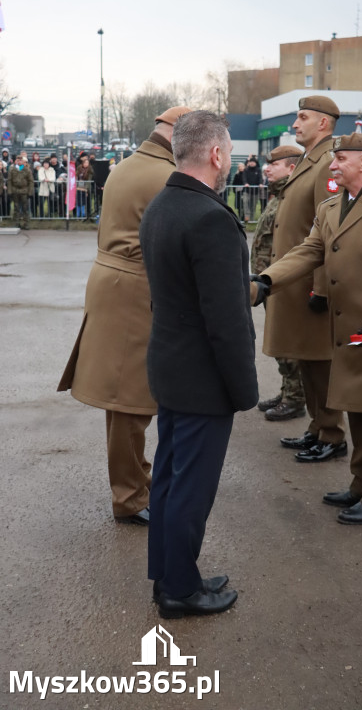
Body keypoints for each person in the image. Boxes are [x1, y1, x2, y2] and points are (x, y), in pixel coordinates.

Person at [253, 132, 362, 524]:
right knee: (359, 410)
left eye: (341, 159)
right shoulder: (332, 206)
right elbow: (309, 251)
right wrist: (266, 281)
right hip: (349, 330)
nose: (333, 166)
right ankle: (360, 485)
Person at [140, 110, 258, 619]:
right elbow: (225, 321)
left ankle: (170, 575)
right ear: (214, 154)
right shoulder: (210, 217)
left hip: (171, 368)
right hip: (201, 378)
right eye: (228, 151)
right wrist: (244, 389)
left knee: (168, 478)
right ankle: (180, 592)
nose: (229, 159)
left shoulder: (163, 204)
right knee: (190, 488)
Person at [57, 106, 191, 525]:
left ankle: (134, 486)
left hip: (118, 284)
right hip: (135, 290)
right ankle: (130, 496)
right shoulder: (164, 174)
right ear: (178, 133)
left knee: (125, 400)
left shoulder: (131, 165)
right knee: (130, 402)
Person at [263, 96, 346, 463]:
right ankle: (317, 428)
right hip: (294, 280)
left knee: (320, 362)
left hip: (311, 285)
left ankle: (331, 434)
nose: (295, 125)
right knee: (307, 361)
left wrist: (322, 287)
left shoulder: (328, 163)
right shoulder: (309, 162)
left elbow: (333, 233)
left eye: (302, 118)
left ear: (323, 124)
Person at [251, 145, 305, 421]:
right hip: (268, 281)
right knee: (278, 341)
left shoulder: (293, 197)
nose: (267, 168)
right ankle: (287, 392)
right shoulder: (279, 195)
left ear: (292, 168)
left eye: (274, 165)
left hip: (282, 282)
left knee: (286, 343)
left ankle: (295, 398)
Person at [8, 154, 34, 229]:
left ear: (23, 161)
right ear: (15, 161)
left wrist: (30, 192)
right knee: (16, 208)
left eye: (20, 160)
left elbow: (31, 181)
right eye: (18, 160)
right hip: (15, 190)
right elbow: (9, 181)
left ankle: (26, 224)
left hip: (24, 191)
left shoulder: (27, 170)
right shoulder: (12, 169)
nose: (19, 161)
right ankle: (16, 223)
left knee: (25, 208)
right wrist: (9, 191)